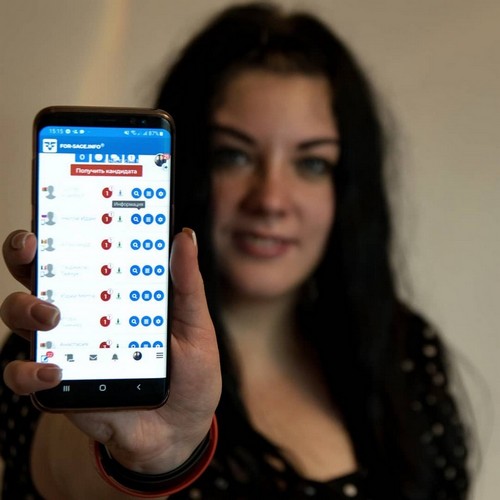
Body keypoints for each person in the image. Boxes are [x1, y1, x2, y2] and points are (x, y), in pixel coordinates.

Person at [0, 2, 470, 499]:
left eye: (311, 164)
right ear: (185, 167)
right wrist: (149, 458)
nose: (270, 200)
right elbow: (72, 474)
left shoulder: (404, 349)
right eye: (234, 155)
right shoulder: (60, 361)